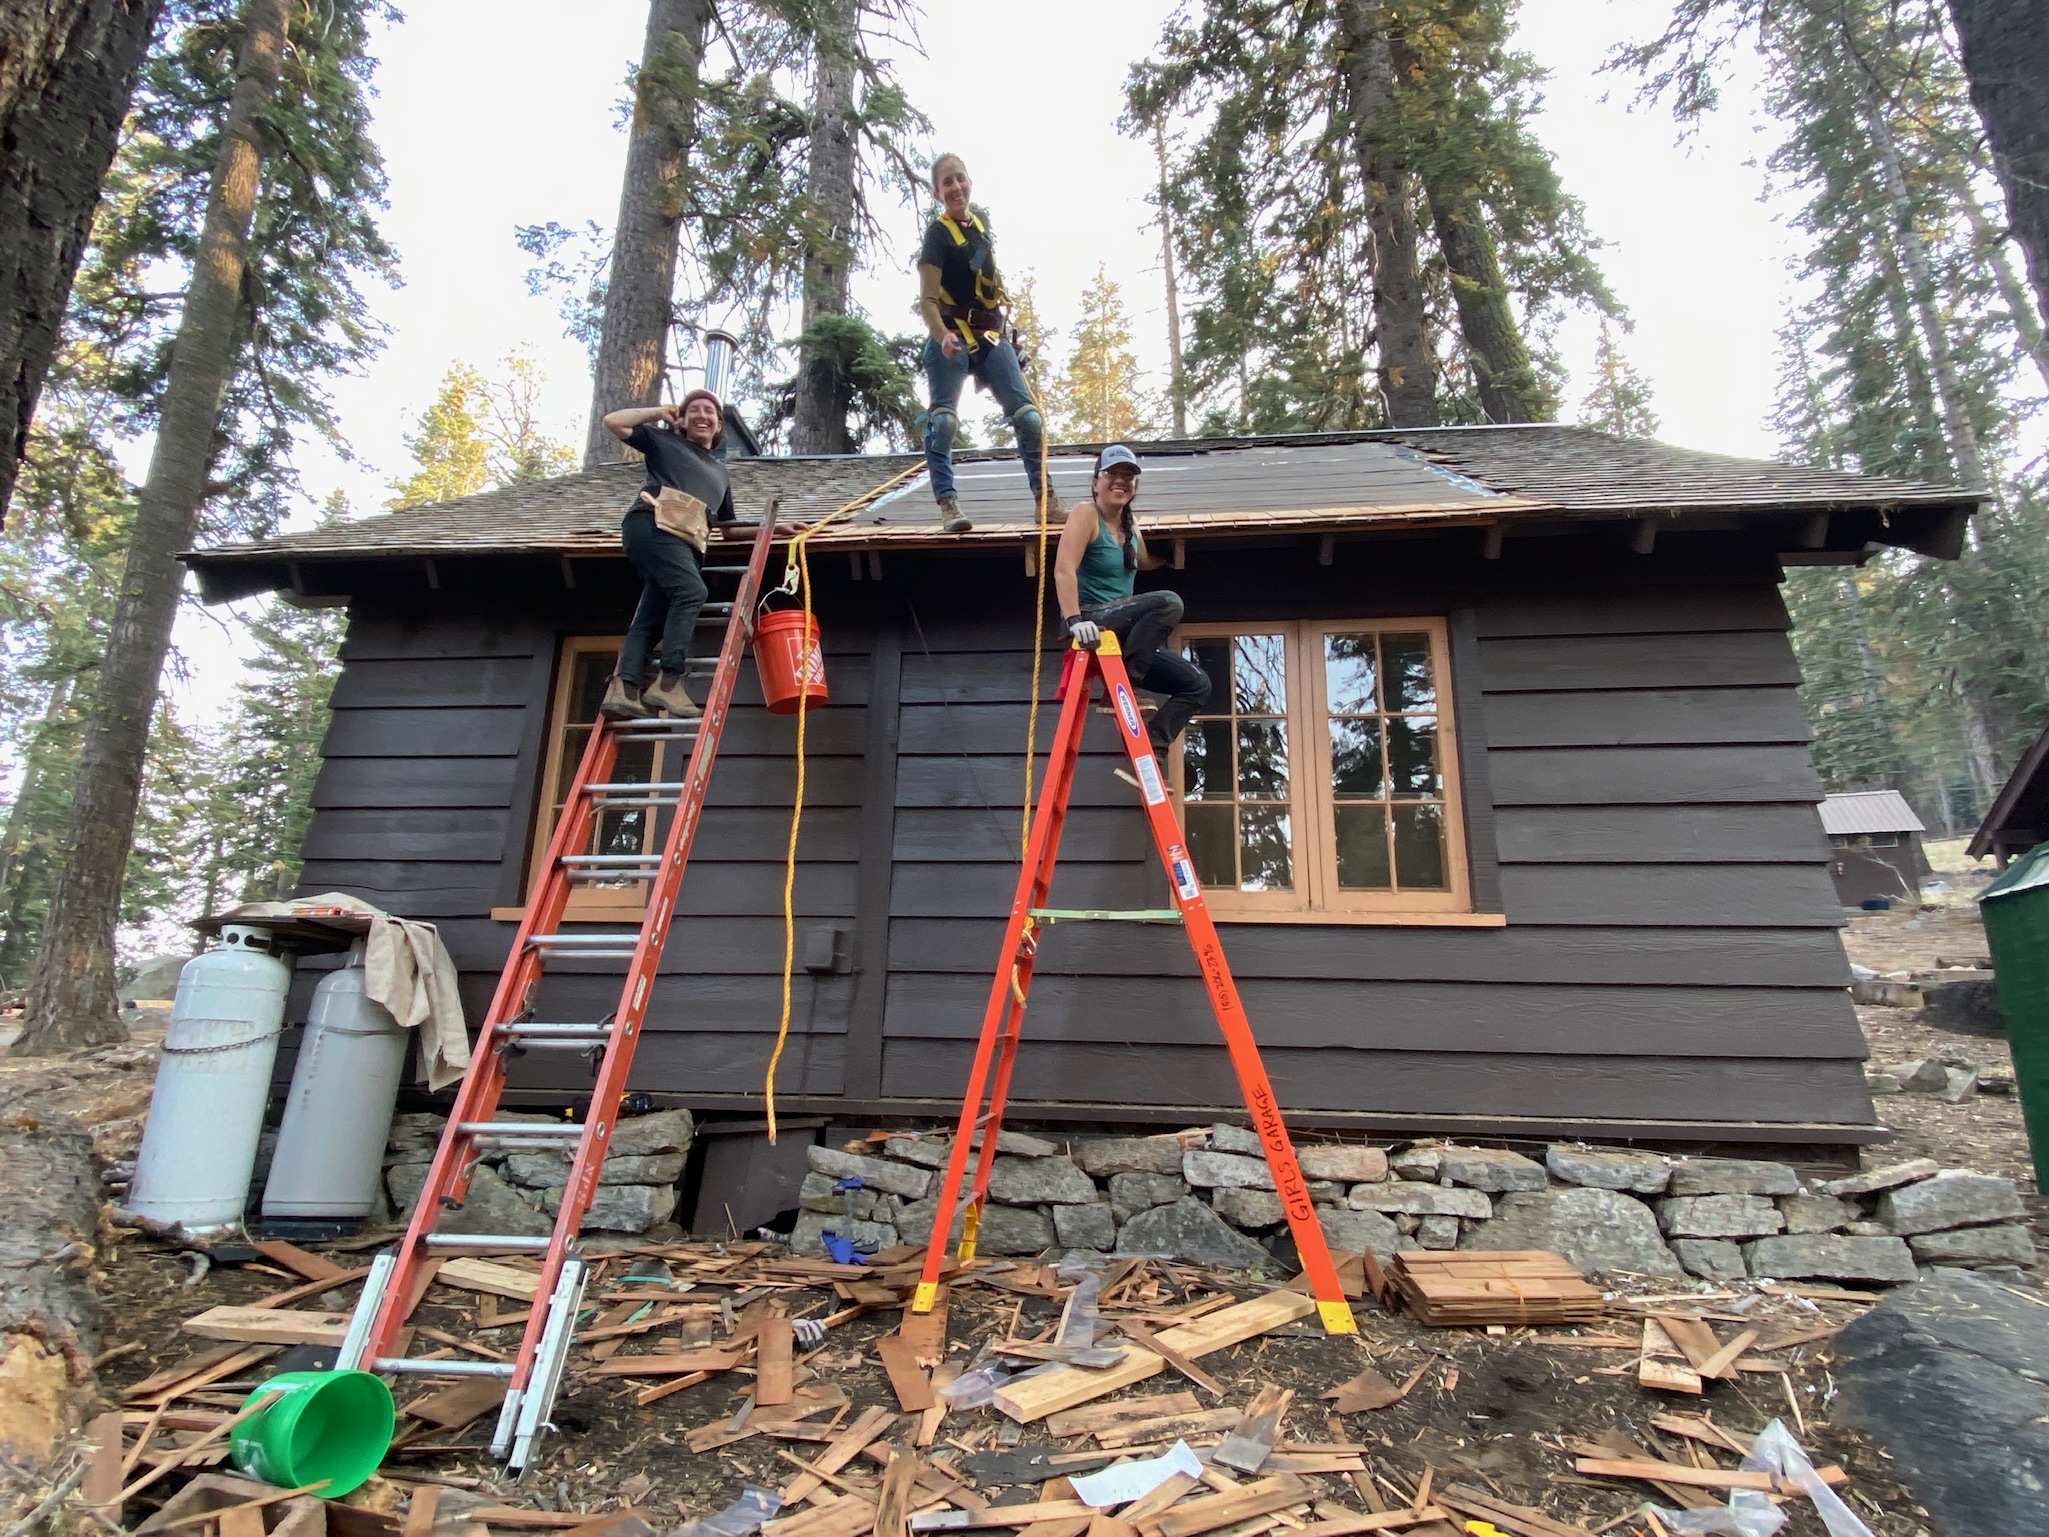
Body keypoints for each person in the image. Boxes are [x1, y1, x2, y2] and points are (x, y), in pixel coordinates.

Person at [917, 153, 1059, 535]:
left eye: (959, 179)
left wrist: (1011, 337)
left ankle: (1045, 500)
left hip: (990, 335)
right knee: (943, 420)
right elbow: (928, 300)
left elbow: (989, 293)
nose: (955, 187)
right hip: (951, 335)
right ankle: (947, 503)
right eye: (947, 182)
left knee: (1029, 417)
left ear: (969, 182)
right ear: (937, 192)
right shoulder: (937, 235)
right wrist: (941, 334)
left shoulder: (979, 230)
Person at [1053, 444, 1211, 755]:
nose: (1120, 481)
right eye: (1112, 474)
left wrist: (1165, 560)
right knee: (1169, 602)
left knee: (1198, 685)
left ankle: (1151, 745)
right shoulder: (1086, 514)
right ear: (1096, 481)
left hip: (1123, 631)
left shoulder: (1129, 525)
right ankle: (1121, 688)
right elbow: (1063, 569)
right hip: (1091, 619)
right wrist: (1074, 620)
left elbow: (1141, 560)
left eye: (1128, 476)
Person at [598, 388, 738, 719]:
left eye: (710, 412)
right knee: (692, 591)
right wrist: (658, 412)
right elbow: (612, 422)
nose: (702, 415)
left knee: (651, 615)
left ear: (719, 425)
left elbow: (729, 528)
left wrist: (775, 530)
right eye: (694, 410)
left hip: (685, 545)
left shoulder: (720, 474)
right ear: (683, 419)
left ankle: (625, 688)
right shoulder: (665, 442)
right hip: (652, 526)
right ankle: (669, 682)